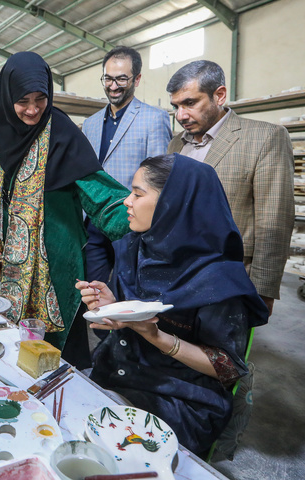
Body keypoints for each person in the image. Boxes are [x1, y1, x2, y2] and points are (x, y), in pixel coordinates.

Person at [76, 154, 269, 455]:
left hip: (181, 397)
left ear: (173, 204)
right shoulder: (135, 246)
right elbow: (131, 317)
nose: (127, 201)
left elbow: (229, 368)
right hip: (119, 369)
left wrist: (156, 336)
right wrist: (113, 306)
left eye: (138, 194)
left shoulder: (217, 280)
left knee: (113, 453)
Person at [0, 52, 131, 368]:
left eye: (41, 99)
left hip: (51, 265)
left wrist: (136, 210)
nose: (33, 109)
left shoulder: (62, 132)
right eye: (23, 101)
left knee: (55, 359)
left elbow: (97, 190)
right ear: (7, 97)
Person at [166, 60, 295, 315]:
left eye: (190, 103)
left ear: (219, 95)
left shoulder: (264, 138)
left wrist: (263, 290)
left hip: (230, 277)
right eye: (176, 106)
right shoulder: (175, 145)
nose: (181, 115)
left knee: (221, 352)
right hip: (177, 273)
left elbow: (274, 221)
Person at [82, 46, 172, 283]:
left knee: (128, 295)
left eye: (121, 79)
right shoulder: (90, 124)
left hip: (131, 224)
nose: (113, 86)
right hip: (93, 224)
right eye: (108, 78)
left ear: (137, 79)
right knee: (94, 294)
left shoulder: (154, 118)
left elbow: (159, 180)